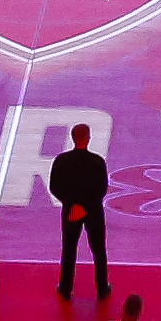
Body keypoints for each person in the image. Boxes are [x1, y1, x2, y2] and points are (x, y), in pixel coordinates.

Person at [49, 122, 111, 302]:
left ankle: (66, 287)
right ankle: (101, 288)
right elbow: (101, 189)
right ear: (88, 138)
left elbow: (55, 187)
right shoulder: (97, 161)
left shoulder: (61, 160)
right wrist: (85, 207)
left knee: (69, 249)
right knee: (99, 250)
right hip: (94, 212)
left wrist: (73, 204)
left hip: (71, 211)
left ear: (72, 138)